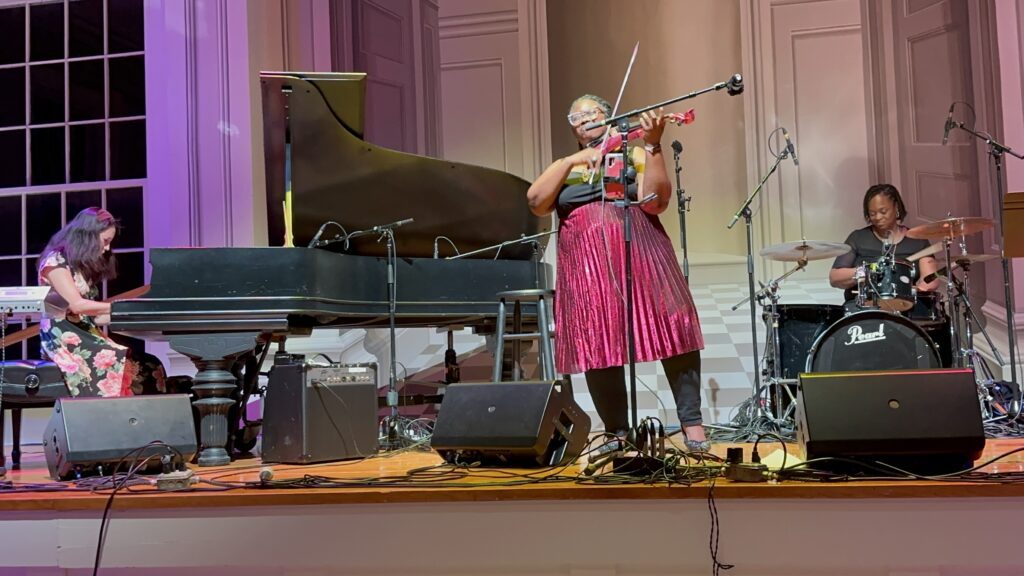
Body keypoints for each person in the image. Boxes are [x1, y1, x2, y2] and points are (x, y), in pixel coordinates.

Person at [526, 94, 708, 452]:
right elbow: (536, 201)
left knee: (675, 324)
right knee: (598, 339)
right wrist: (572, 161)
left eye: (590, 113)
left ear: (608, 117)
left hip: (639, 248)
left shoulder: (631, 153)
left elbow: (656, 201)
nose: (583, 119)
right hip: (585, 263)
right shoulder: (564, 166)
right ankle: (617, 431)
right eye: (575, 117)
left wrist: (653, 145)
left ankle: (692, 423)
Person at [38, 207, 166, 398]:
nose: (107, 248)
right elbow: (77, 305)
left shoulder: (78, 266)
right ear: (89, 236)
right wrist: (122, 307)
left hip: (85, 334)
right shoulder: (55, 262)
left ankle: (140, 415)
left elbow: (94, 317)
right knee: (141, 367)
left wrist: (135, 314)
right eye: (105, 241)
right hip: (64, 341)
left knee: (151, 364)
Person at [829, 184, 941, 302]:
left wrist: (919, 288)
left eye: (883, 211)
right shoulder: (858, 238)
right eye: (872, 213)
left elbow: (931, 279)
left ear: (896, 207)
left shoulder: (917, 240)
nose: (878, 217)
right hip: (864, 307)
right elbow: (834, 277)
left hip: (906, 306)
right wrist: (866, 271)